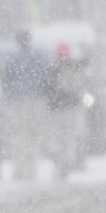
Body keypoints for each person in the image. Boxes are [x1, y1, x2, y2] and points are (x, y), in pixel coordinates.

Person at [1, 29, 48, 181]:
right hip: (35, 99)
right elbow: (45, 77)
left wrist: (6, 97)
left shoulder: (12, 58)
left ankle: (19, 169)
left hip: (16, 100)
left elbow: (7, 80)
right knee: (34, 135)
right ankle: (31, 169)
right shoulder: (39, 57)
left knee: (18, 134)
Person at [43, 42, 85, 181]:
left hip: (55, 111)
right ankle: (66, 164)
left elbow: (46, 90)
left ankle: (58, 163)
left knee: (56, 138)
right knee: (69, 139)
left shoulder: (52, 70)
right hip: (71, 110)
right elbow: (79, 89)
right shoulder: (75, 67)